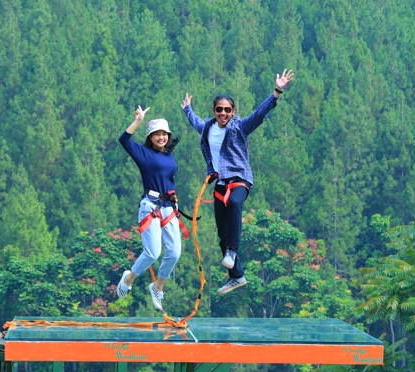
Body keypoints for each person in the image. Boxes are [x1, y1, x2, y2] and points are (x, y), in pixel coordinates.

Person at [182, 69, 294, 295]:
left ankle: (232, 251)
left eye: (227, 110)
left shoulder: (240, 127)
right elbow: (195, 122)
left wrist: (277, 91)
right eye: (219, 110)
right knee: (222, 232)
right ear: (214, 111)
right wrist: (187, 109)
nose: (223, 113)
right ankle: (237, 276)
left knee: (234, 203)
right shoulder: (207, 128)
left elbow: (259, 114)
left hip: (239, 180)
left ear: (233, 112)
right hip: (219, 184)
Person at [116, 105, 184, 311]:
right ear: (150, 137)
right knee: (153, 252)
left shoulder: (170, 156)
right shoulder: (143, 153)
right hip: (151, 206)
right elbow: (124, 140)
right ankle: (128, 279)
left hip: (169, 206)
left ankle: (158, 287)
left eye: (164, 134)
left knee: (174, 253)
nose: (161, 137)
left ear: (168, 136)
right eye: (156, 134)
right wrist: (137, 121)